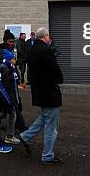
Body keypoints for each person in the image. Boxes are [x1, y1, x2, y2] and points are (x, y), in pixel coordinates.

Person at [17, 27, 63, 165]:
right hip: (49, 93)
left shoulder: (32, 49)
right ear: (46, 36)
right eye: (49, 36)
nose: (49, 39)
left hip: (39, 92)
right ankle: (47, 155)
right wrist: (60, 79)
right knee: (51, 126)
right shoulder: (45, 50)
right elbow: (54, 69)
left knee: (45, 117)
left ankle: (26, 137)